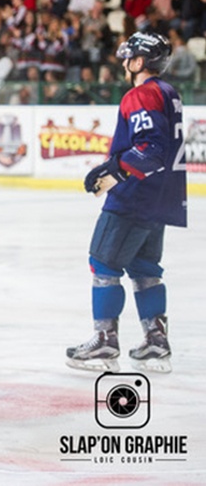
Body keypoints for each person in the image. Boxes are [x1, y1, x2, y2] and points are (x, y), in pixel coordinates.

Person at [66, 32, 187, 374]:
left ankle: (104, 339)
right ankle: (156, 339)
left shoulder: (141, 95)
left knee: (102, 264)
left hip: (135, 197)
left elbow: (151, 149)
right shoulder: (168, 92)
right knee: (145, 268)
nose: (123, 63)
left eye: (128, 57)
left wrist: (114, 170)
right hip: (162, 197)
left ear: (139, 62)